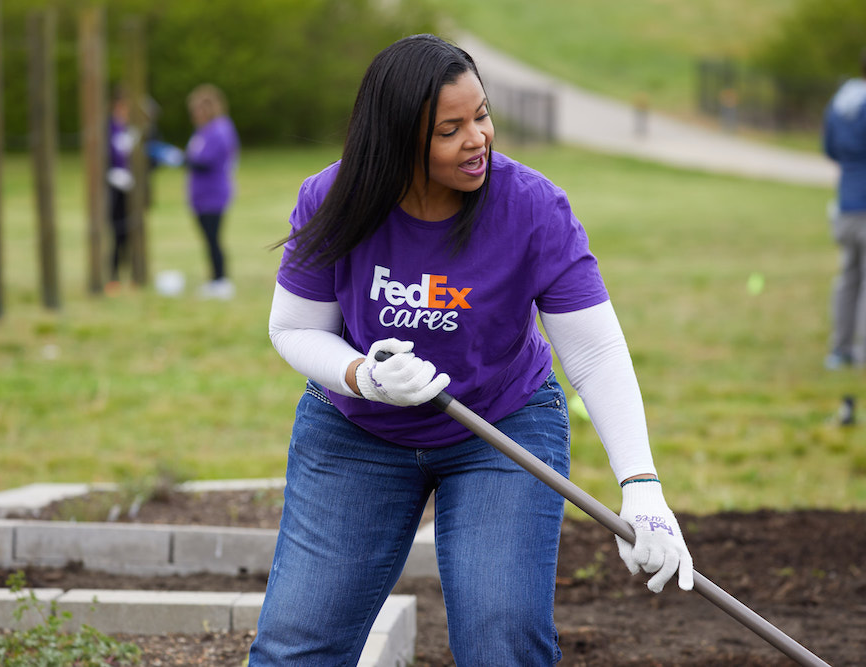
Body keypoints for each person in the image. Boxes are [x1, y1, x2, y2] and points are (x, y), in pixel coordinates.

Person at [254, 34, 693, 665]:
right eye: (449, 129)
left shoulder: (532, 207)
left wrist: (643, 487)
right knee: (298, 645)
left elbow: (594, 354)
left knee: (501, 639)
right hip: (356, 431)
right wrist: (364, 376)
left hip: (501, 426)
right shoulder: (334, 197)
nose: (478, 139)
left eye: (481, 116)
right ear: (399, 138)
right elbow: (293, 330)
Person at [823, 47, 866, 370]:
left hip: (845, 203)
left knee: (849, 277)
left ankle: (841, 349)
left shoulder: (840, 102)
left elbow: (830, 149)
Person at [185, 84, 240, 300]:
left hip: (213, 194)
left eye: (198, 109)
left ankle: (220, 281)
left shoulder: (220, 129)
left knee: (213, 238)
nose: (195, 114)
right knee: (209, 238)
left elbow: (207, 161)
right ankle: (215, 279)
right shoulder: (205, 130)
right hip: (201, 194)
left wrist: (180, 159)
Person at [106, 87, 137, 293]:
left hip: (133, 189)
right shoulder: (107, 128)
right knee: (117, 233)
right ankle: (114, 277)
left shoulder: (133, 129)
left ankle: (135, 275)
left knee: (133, 233)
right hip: (114, 188)